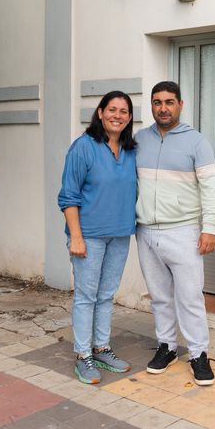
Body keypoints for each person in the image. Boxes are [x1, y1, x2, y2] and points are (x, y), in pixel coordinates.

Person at [135, 81, 215, 385]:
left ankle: (198, 354)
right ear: (152, 105)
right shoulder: (140, 140)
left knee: (190, 297)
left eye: (169, 102)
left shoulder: (196, 142)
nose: (163, 108)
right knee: (159, 296)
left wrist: (209, 227)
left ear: (180, 105)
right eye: (157, 102)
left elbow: (210, 188)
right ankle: (167, 347)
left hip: (183, 231)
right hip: (145, 232)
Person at [58, 91, 138, 384]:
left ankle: (102, 347)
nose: (118, 115)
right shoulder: (83, 147)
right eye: (112, 110)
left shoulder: (130, 151)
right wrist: (75, 236)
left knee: (105, 295)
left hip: (119, 234)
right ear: (101, 112)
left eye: (124, 111)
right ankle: (83, 355)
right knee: (86, 296)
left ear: (129, 118)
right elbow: (68, 196)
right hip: (88, 236)